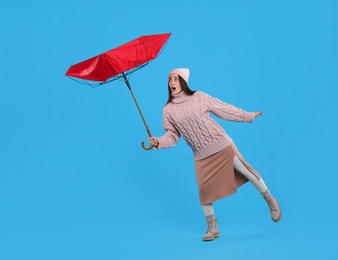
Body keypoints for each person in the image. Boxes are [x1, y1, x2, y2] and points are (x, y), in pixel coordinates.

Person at [149, 68, 281, 242]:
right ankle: (212, 227)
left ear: (183, 81)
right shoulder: (168, 110)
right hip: (201, 154)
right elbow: (173, 137)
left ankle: (270, 200)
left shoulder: (199, 97)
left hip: (221, 144)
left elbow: (223, 109)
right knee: (204, 192)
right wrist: (158, 142)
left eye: (175, 79)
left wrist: (247, 115)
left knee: (247, 171)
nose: (172, 83)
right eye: (169, 80)